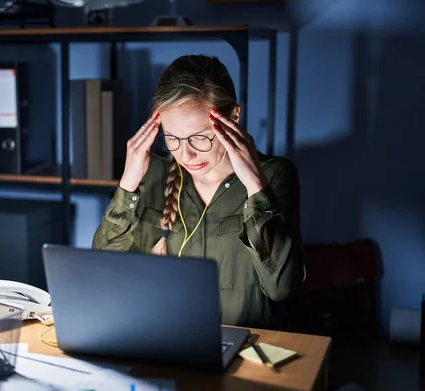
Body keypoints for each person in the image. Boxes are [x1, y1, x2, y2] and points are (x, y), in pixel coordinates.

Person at [92, 54, 305, 329]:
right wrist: (128, 183)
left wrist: (254, 183)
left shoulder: (275, 175)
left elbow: (281, 286)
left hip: (244, 351)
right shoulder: (152, 173)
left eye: (200, 137)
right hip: (159, 341)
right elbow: (103, 269)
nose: (187, 153)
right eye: (172, 139)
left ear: (234, 117)